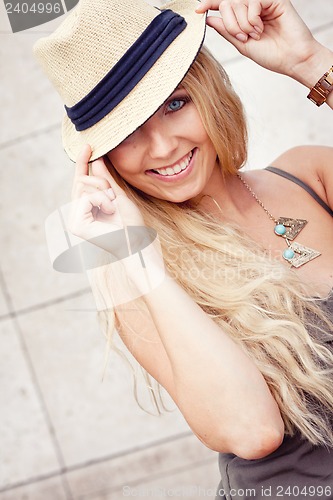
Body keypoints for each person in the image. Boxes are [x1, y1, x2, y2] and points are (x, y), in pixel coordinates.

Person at [33, 0, 333, 498]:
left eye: (175, 104)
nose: (163, 147)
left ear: (209, 91)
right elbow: (250, 431)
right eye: (127, 131)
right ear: (99, 158)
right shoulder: (135, 274)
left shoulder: (309, 177)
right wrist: (138, 256)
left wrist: (311, 65)